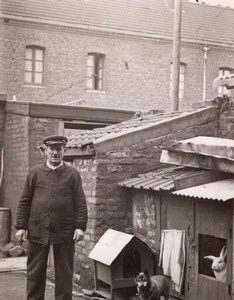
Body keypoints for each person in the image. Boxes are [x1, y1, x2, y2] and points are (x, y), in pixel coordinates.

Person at [15, 135, 88, 300]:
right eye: (51, 149)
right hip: (38, 229)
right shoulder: (35, 173)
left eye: (59, 149)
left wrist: (80, 227)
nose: (55, 153)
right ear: (45, 151)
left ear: (64, 151)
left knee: (64, 273)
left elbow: (80, 203)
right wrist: (21, 227)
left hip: (65, 231)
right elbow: (24, 201)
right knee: (35, 271)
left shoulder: (73, 174)